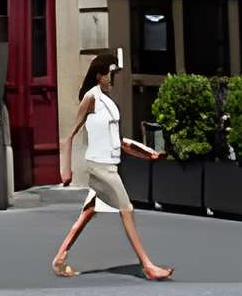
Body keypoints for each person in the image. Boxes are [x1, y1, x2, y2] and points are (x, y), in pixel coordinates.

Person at [52, 50, 172, 281]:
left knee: (88, 213)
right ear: (99, 75)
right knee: (127, 209)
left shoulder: (110, 104)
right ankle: (148, 266)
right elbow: (68, 137)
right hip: (99, 166)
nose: (113, 78)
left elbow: (121, 142)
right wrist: (65, 171)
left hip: (110, 165)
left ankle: (60, 257)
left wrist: (149, 154)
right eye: (110, 74)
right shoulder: (91, 98)